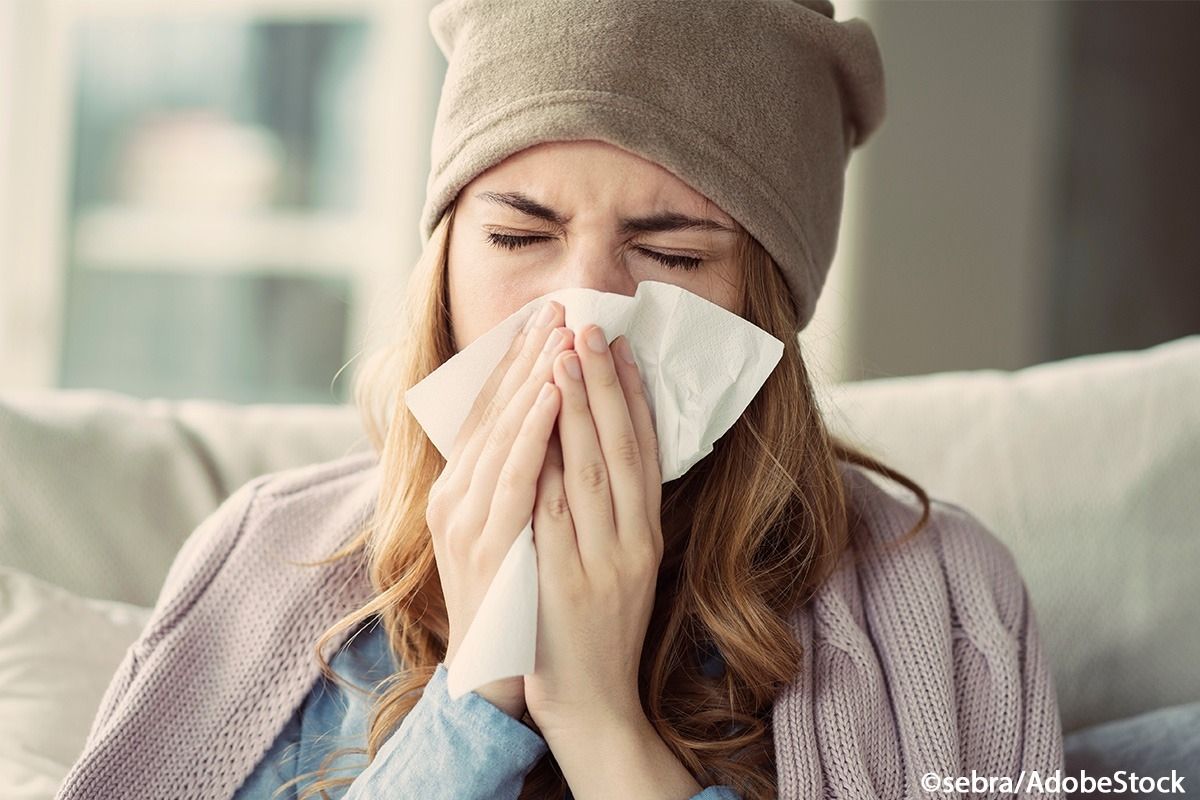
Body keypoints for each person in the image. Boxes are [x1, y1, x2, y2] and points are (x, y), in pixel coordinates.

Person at [55, 1, 1066, 799]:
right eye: (517, 237)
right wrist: (478, 691)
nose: (583, 318)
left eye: (671, 253)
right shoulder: (264, 556)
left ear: (771, 310)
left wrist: (597, 717)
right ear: (444, 259)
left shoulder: (949, 603)